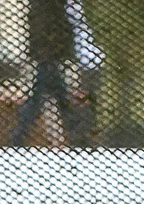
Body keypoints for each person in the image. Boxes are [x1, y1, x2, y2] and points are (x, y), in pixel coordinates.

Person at [11, 0, 101, 147]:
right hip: (49, 56)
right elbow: (52, 26)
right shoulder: (49, 6)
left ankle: (20, 135)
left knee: (47, 97)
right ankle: (77, 137)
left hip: (48, 57)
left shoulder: (45, 6)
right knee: (50, 97)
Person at [84, 0, 144, 146]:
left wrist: (95, 24)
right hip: (135, 23)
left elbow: (88, 5)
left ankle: (109, 124)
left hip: (105, 21)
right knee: (142, 74)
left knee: (112, 75)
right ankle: (138, 124)